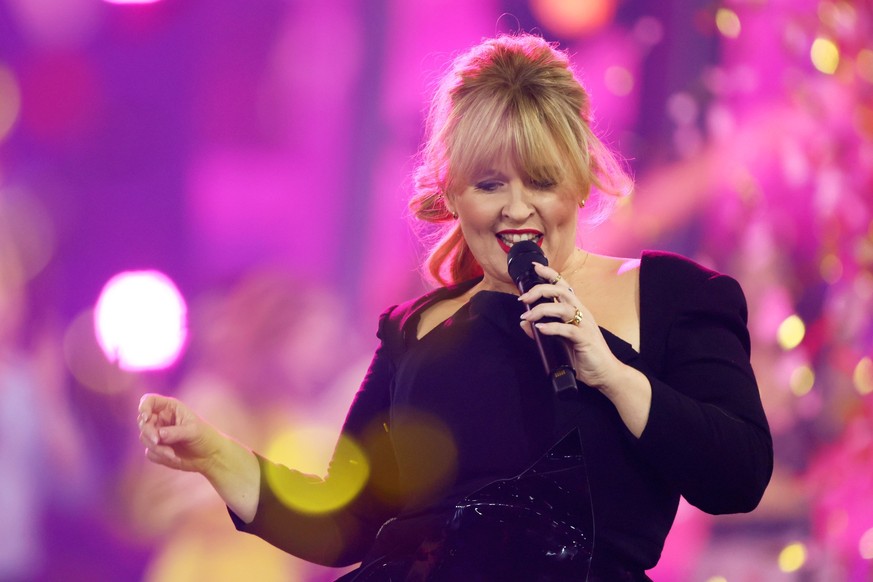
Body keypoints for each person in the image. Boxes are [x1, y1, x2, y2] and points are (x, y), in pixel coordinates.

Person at [138, 33, 773, 581]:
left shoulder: (673, 298)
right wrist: (212, 454)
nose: (516, 208)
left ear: (581, 180)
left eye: (541, 180)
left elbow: (737, 476)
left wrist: (611, 373)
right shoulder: (420, 327)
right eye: (490, 184)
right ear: (452, 193)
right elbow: (340, 523)